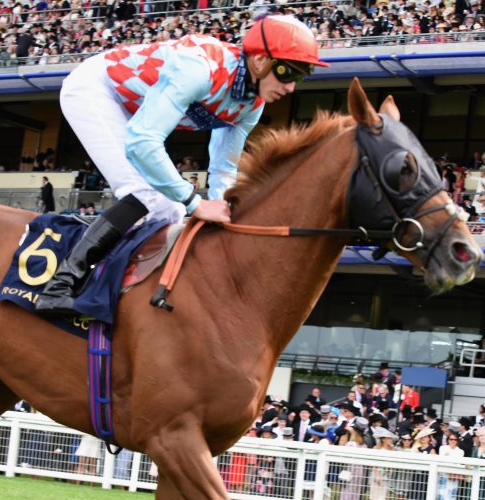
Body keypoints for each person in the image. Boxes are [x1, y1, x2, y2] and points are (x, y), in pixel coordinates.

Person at [34, 16, 327, 314]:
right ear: (260, 60)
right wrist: (193, 201)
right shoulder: (198, 68)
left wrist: (225, 209)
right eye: (286, 72)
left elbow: (223, 169)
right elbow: (143, 142)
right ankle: (60, 286)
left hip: (130, 106)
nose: (291, 87)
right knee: (148, 196)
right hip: (96, 89)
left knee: (170, 209)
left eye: (301, 77)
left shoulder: (252, 104)